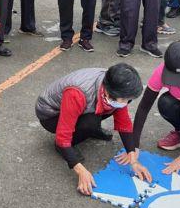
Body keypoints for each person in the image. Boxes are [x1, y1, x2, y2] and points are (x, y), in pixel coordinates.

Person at [35, 64, 148, 195]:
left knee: (108, 110)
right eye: (124, 99)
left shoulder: (115, 85)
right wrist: (81, 171)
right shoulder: (76, 93)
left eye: (129, 100)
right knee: (89, 123)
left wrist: (133, 158)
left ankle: (90, 129)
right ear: (108, 92)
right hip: (51, 115)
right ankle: (65, 145)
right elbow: (63, 137)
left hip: (83, 105)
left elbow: (123, 120)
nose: (126, 103)